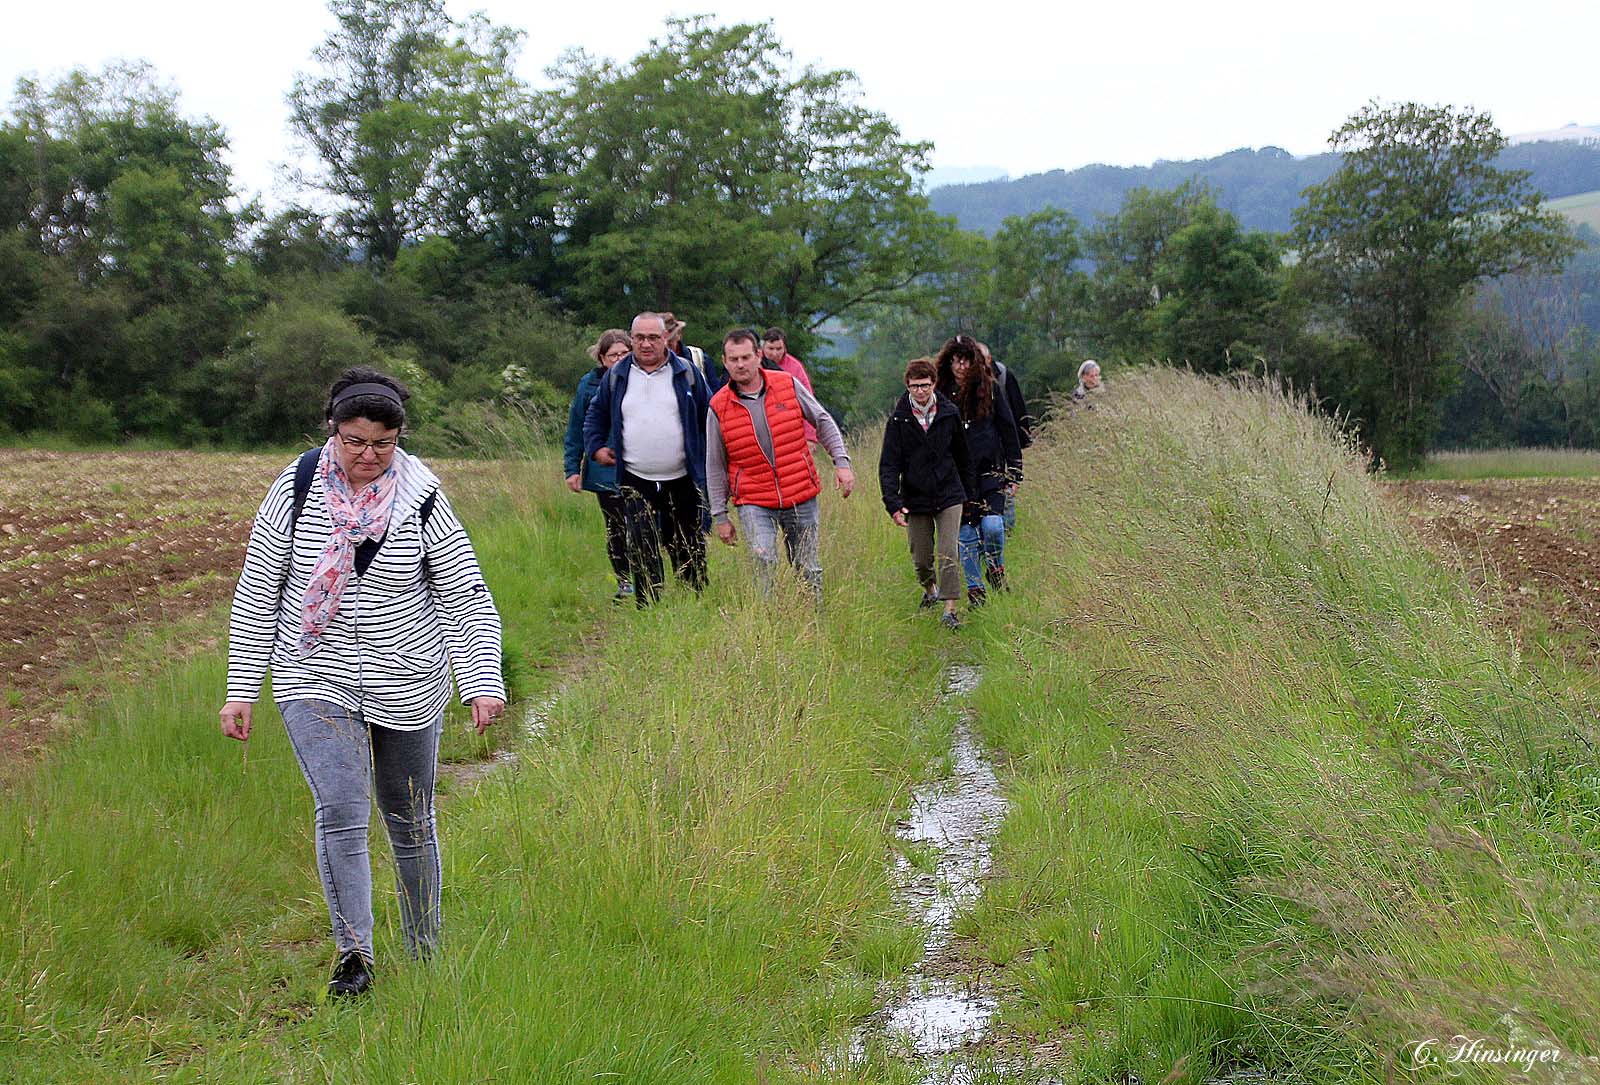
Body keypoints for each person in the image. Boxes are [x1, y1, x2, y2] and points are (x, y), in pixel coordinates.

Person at [219, 367, 506, 998]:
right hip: (312, 671)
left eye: (383, 444)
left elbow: (463, 593)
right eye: (354, 441)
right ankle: (355, 956)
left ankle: (425, 949)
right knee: (343, 809)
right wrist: (242, 687)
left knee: (410, 818)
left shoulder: (422, 497)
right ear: (333, 430)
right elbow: (259, 591)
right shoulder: (295, 489)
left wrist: (481, 679)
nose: (368, 456)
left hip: (408, 676)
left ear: (399, 438)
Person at [707, 328, 855, 599]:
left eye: (746, 357)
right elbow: (715, 463)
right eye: (734, 359)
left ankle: (812, 618)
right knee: (763, 559)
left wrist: (841, 462)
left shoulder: (787, 384)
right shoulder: (718, 406)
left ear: (758, 356)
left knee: (807, 567)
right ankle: (767, 617)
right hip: (753, 498)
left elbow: (822, 420)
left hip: (799, 490)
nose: (740, 365)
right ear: (725, 362)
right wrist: (720, 515)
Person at [584, 312, 713, 605]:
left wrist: (712, 459)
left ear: (665, 338)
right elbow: (595, 414)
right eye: (639, 338)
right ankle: (648, 605)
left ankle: (695, 601)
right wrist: (596, 448)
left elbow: (710, 415)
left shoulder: (687, 373)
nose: (646, 344)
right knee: (641, 544)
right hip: (635, 477)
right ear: (631, 339)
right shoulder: (616, 376)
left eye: (653, 337)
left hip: (682, 476)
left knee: (687, 542)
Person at [878, 357, 976, 631]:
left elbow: (963, 456)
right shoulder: (899, 419)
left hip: (949, 492)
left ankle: (950, 610)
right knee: (921, 557)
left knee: (948, 552)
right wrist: (892, 502)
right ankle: (930, 589)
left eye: (924, 385)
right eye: (914, 386)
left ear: (934, 384)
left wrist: (969, 495)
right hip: (915, 496)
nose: (920, 391)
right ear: (907, 387)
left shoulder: (949, 413)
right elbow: (889, 464)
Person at [936, 334, 1022, 607]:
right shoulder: (940, 395)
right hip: (956, 477)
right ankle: (975, 590)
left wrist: (1014, 471)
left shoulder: (990, 389)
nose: (960, 367)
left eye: (965, 361)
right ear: (948, 362)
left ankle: (996, 567)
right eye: (956, 361)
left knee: (993, 526)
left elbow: (1008, 429)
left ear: (974, 362)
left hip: (990, 472)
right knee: (966, 535)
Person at [564, 330, 634, 602]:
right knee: (616, 527)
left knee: (642, 523)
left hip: (639, 464)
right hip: (604, 467)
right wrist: (572, 469)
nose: (619, 359)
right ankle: (625, 582)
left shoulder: (641, 380)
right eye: (613, 355)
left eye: (624, 354)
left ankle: (648, 578)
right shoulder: (589, 385)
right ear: (602, 358)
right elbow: (576, 428)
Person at [978, 341, 1032, 534]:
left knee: (1004, 487)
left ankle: (1006, 531)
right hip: (983, 445)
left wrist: (1023, 438)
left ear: (989, 358)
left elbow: (1017, 406)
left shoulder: (1003, 375)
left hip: (1002, 441)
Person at [760, 327, 819, 444]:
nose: (774, 353)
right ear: (763, 347)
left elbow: (808, 402)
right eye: (770, 348)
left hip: (789, 427)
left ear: (785, 348)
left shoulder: (795, 368)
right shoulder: (753, 364)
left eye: (779, 349)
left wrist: (810, 436)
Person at [663, 311, 723, 391]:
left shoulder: (699, 358)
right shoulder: (649, 366)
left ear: (679, 334)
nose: (666, 345)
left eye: (670, 341)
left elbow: (715, 393)